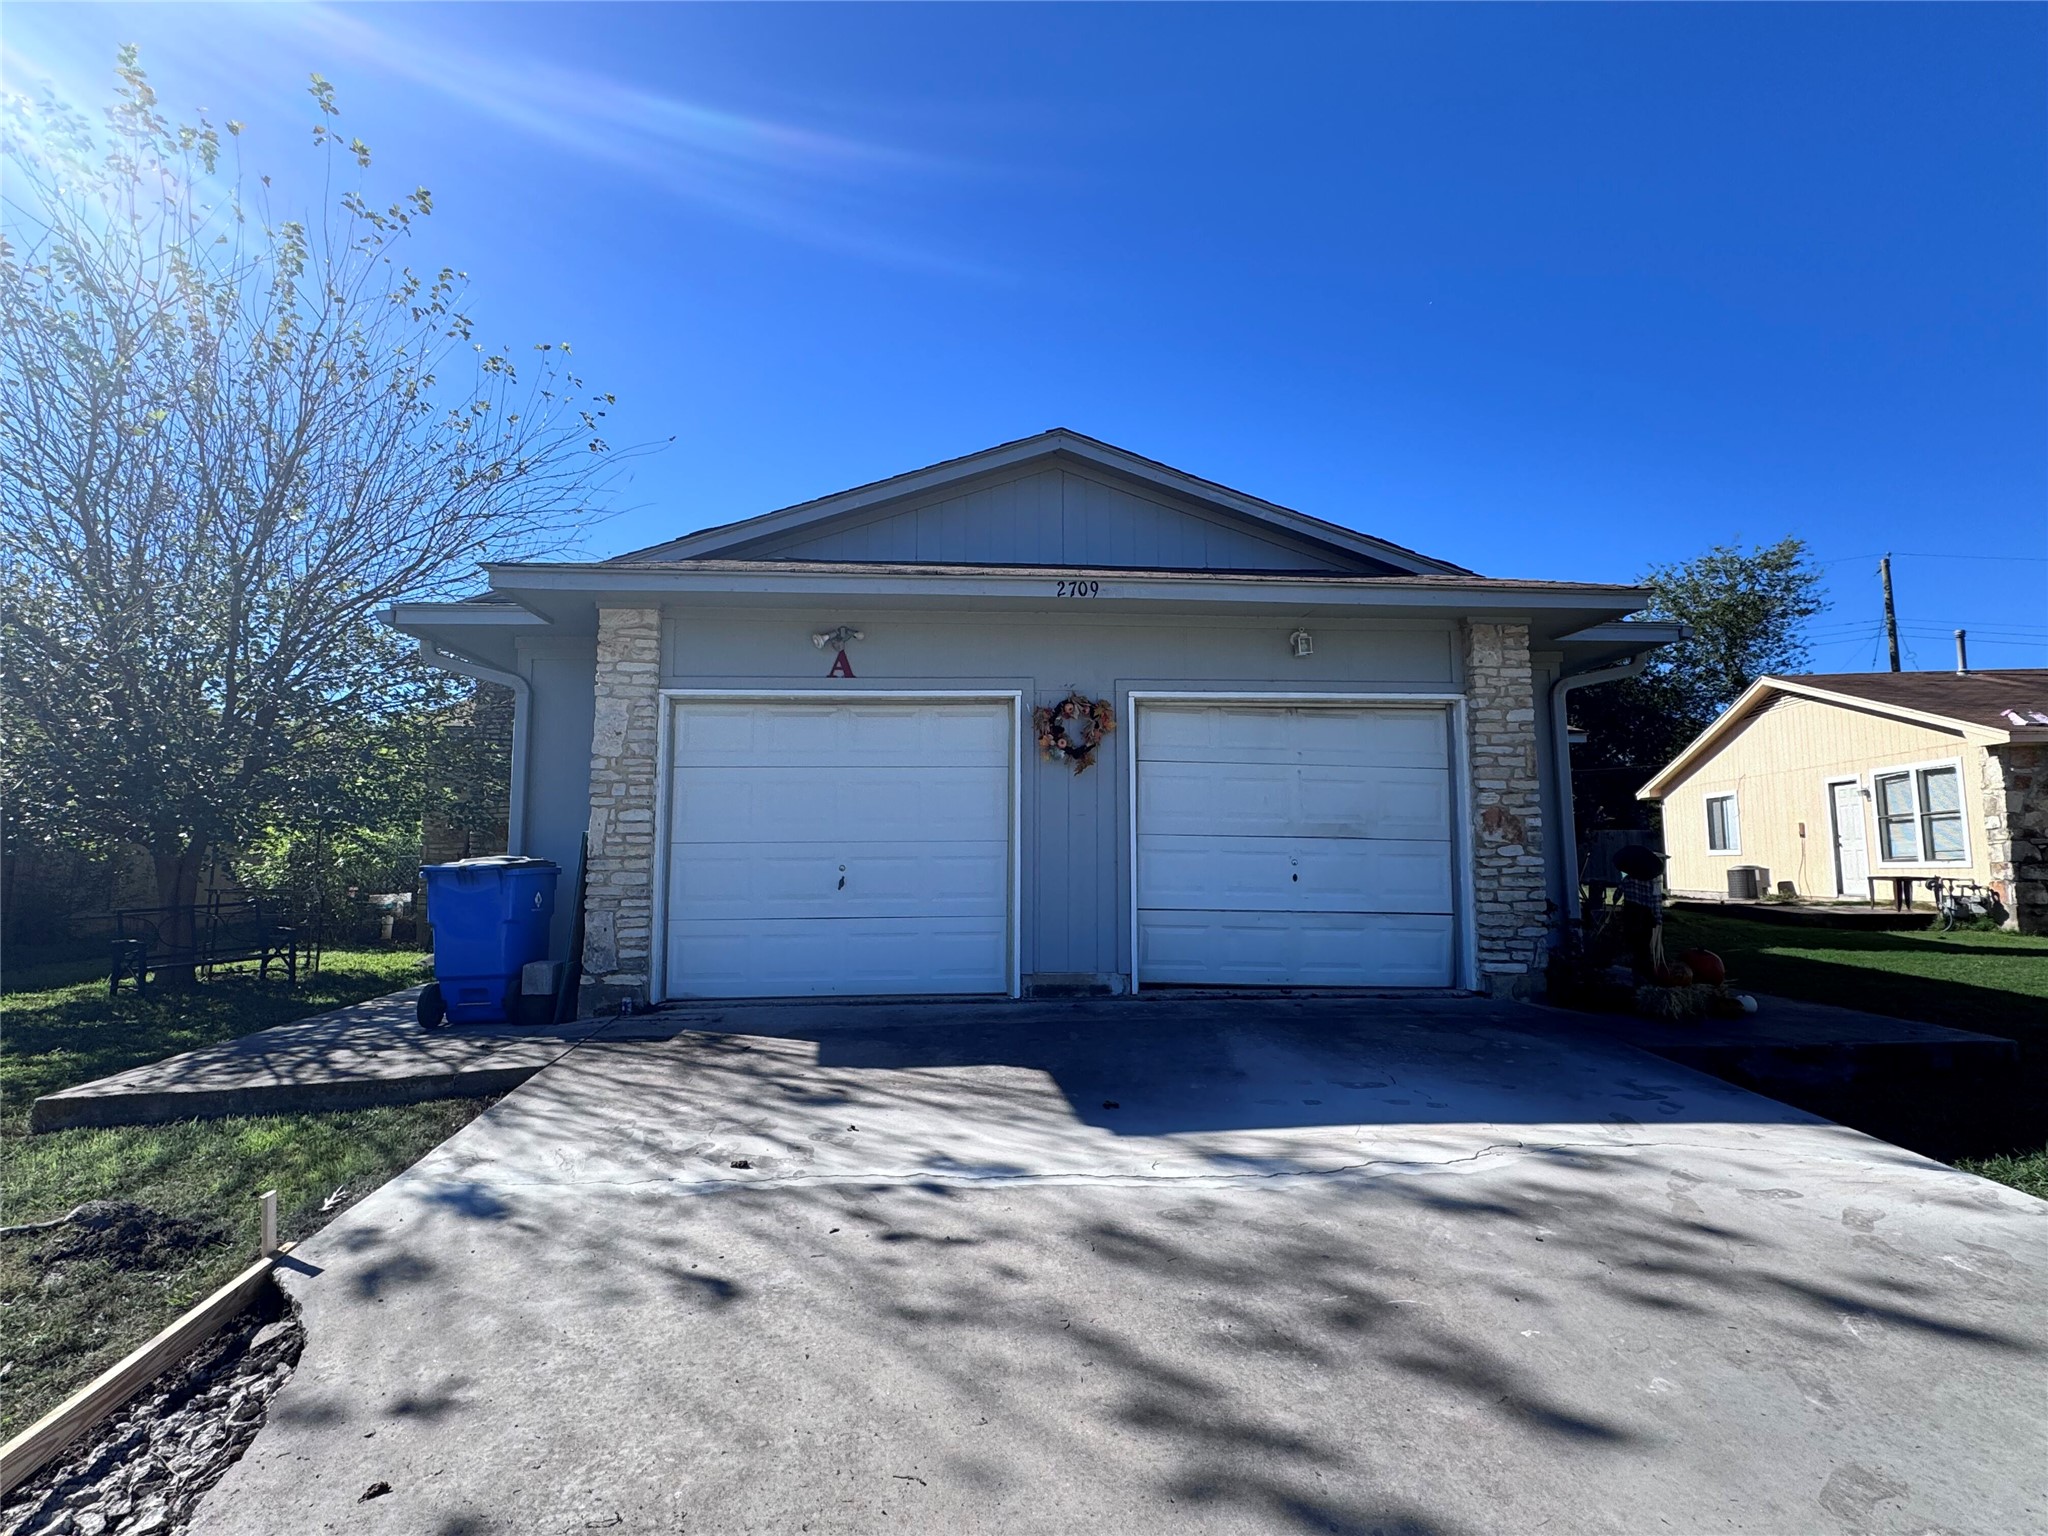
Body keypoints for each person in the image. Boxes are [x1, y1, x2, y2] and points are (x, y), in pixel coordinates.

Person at [1612, 845, 1668, 981]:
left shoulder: (1627, 879)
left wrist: (1615, 906)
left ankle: (1636, 972)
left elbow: (1616, 895)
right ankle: (1646, 973)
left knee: (1633, 943)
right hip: (1645, 917)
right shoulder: (1653, 882)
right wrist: (1659, 920)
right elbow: (1655, 902)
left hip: (1630, 914)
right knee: (1645, 945)